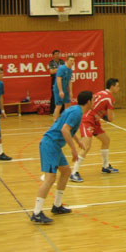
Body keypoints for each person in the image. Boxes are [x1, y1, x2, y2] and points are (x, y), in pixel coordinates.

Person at [30, 90, 91, 224]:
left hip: (55, 146)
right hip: (50, 144)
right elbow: (64, 130)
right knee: (50, 178)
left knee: (66, 171)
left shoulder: (75, 109)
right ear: (88, 102)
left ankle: (57, 206)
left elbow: (67, 128)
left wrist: (78, 141)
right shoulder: (77, 112)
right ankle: (37, 213)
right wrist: (73, 149)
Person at [70, 78, 120, 183]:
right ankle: (74, 172)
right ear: (112, 87)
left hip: (94, 120)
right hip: (87, 120)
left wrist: (100, 115)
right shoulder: (110, 98)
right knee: (86, 146)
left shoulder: (101, 92)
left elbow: (96, 107)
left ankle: (105, 166)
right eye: (117, 86)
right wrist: (108, 117)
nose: (118, 88)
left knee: (106, 140)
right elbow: (110, 118)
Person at [53, 55, 75, 120]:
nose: (72, 62)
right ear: (67, 61)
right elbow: (58, 80)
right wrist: (60, 91)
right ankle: (55, 121)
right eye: (71, 60)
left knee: (68, 104)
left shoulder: (70, 70)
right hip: (58, 90)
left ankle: (66, 119)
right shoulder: (62, 68)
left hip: (65, 90)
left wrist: (70, 91)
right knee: (59, 106)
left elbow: (70, 81)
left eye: (73, 61)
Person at [48, 50, 65, 115]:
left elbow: (64, 70)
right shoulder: (51, 63)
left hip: (62, 80)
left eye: (58, 54)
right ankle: (52, 111)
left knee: (62, 94)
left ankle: (62, 111)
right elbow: (51, 72)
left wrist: (56, 69)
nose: (57, 55)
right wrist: (59, 69)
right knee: (54, 94)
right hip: (54, 79)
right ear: (53, 55)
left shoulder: (62, 62)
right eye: (55, 54)